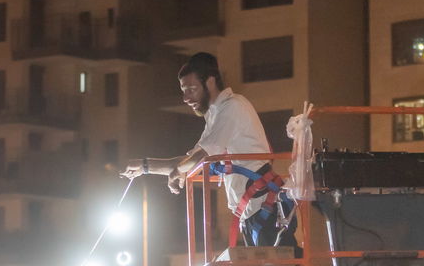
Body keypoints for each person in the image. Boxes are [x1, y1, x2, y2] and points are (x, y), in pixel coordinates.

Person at [122, 52, 296, 247]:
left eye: (191, 89)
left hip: (264, 208)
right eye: (184, 90)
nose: (186, 98)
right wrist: (145, 167)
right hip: (253, 212)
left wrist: (178, 171)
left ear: (210, 82)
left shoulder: (233, 107)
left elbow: (203, 156)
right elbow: (191, 160)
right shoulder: (216, 115)